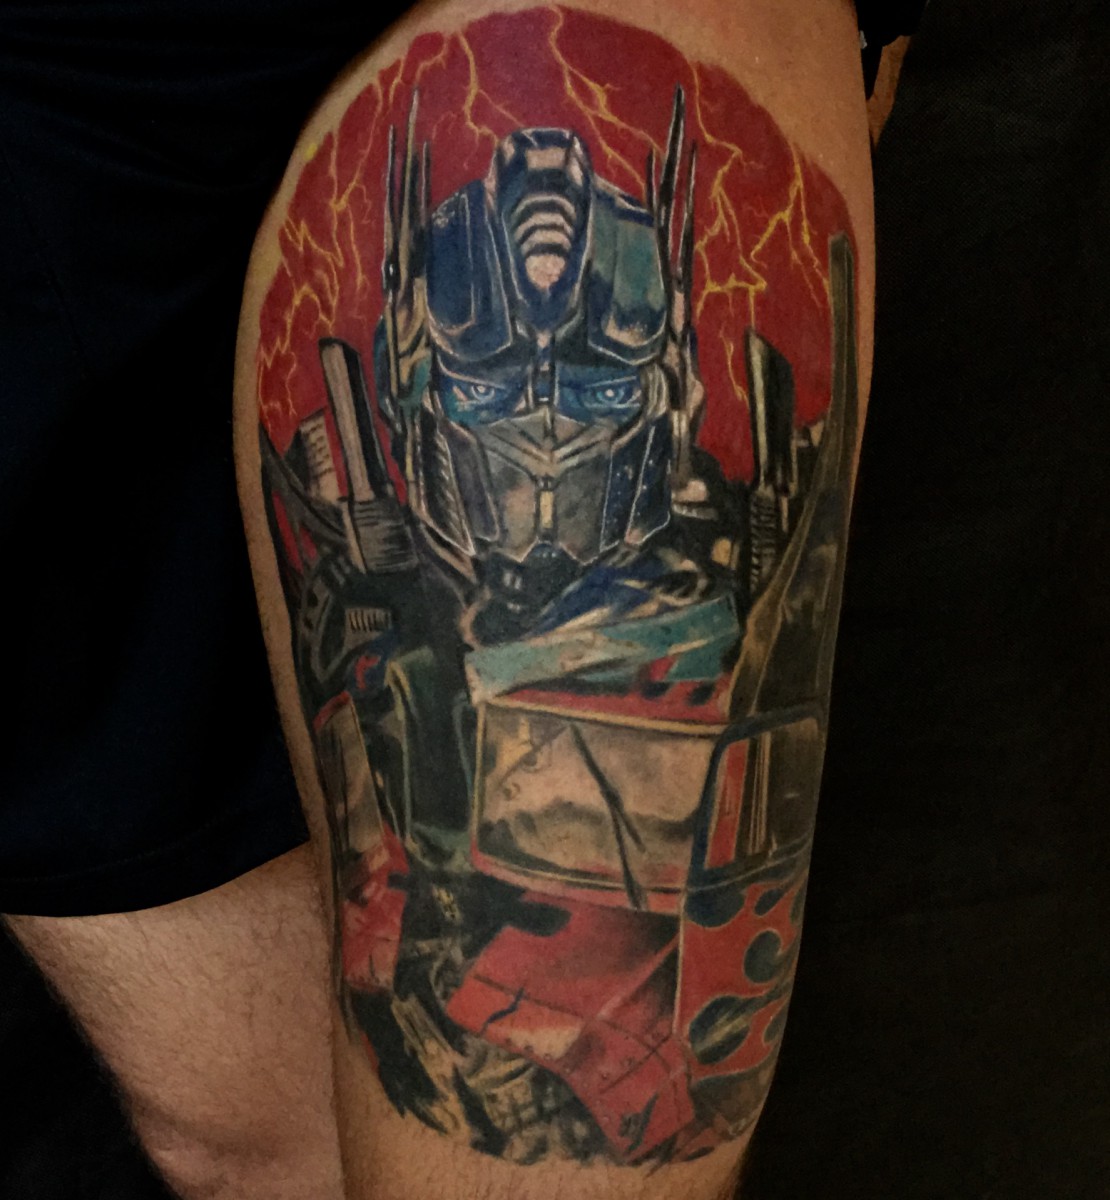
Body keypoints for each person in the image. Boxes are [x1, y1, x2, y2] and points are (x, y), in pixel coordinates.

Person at [1, 3, 923, 1197]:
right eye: (496, 398)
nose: (545, 446)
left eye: (593, 396)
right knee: (255, 1141)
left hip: (502, 35)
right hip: (62, 126)